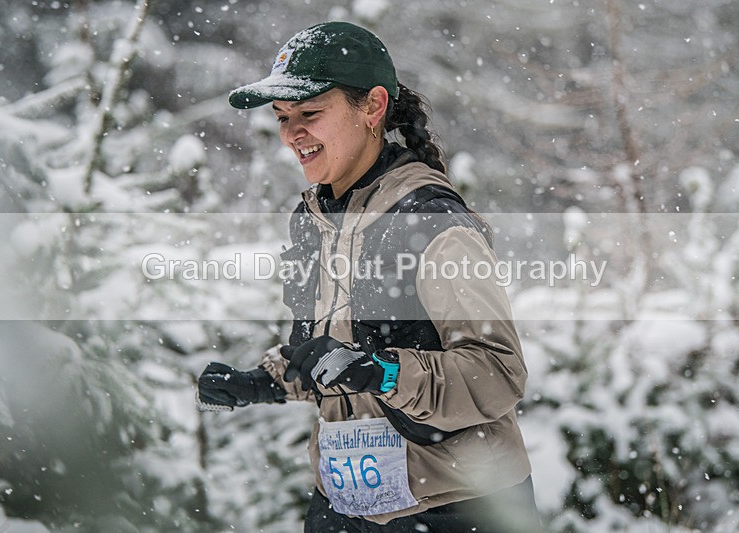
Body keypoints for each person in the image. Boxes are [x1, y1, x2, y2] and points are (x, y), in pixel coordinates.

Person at [198, 21, 540, 532]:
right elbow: (339, 353)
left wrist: (382, 371)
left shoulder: (431, 223)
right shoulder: (319, 217)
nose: (293, 133)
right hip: (344, 507)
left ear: (373, 107)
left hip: (458, 507)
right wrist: (269, 382)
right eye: (283, 116)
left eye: (310, 113)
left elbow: (497, 375)